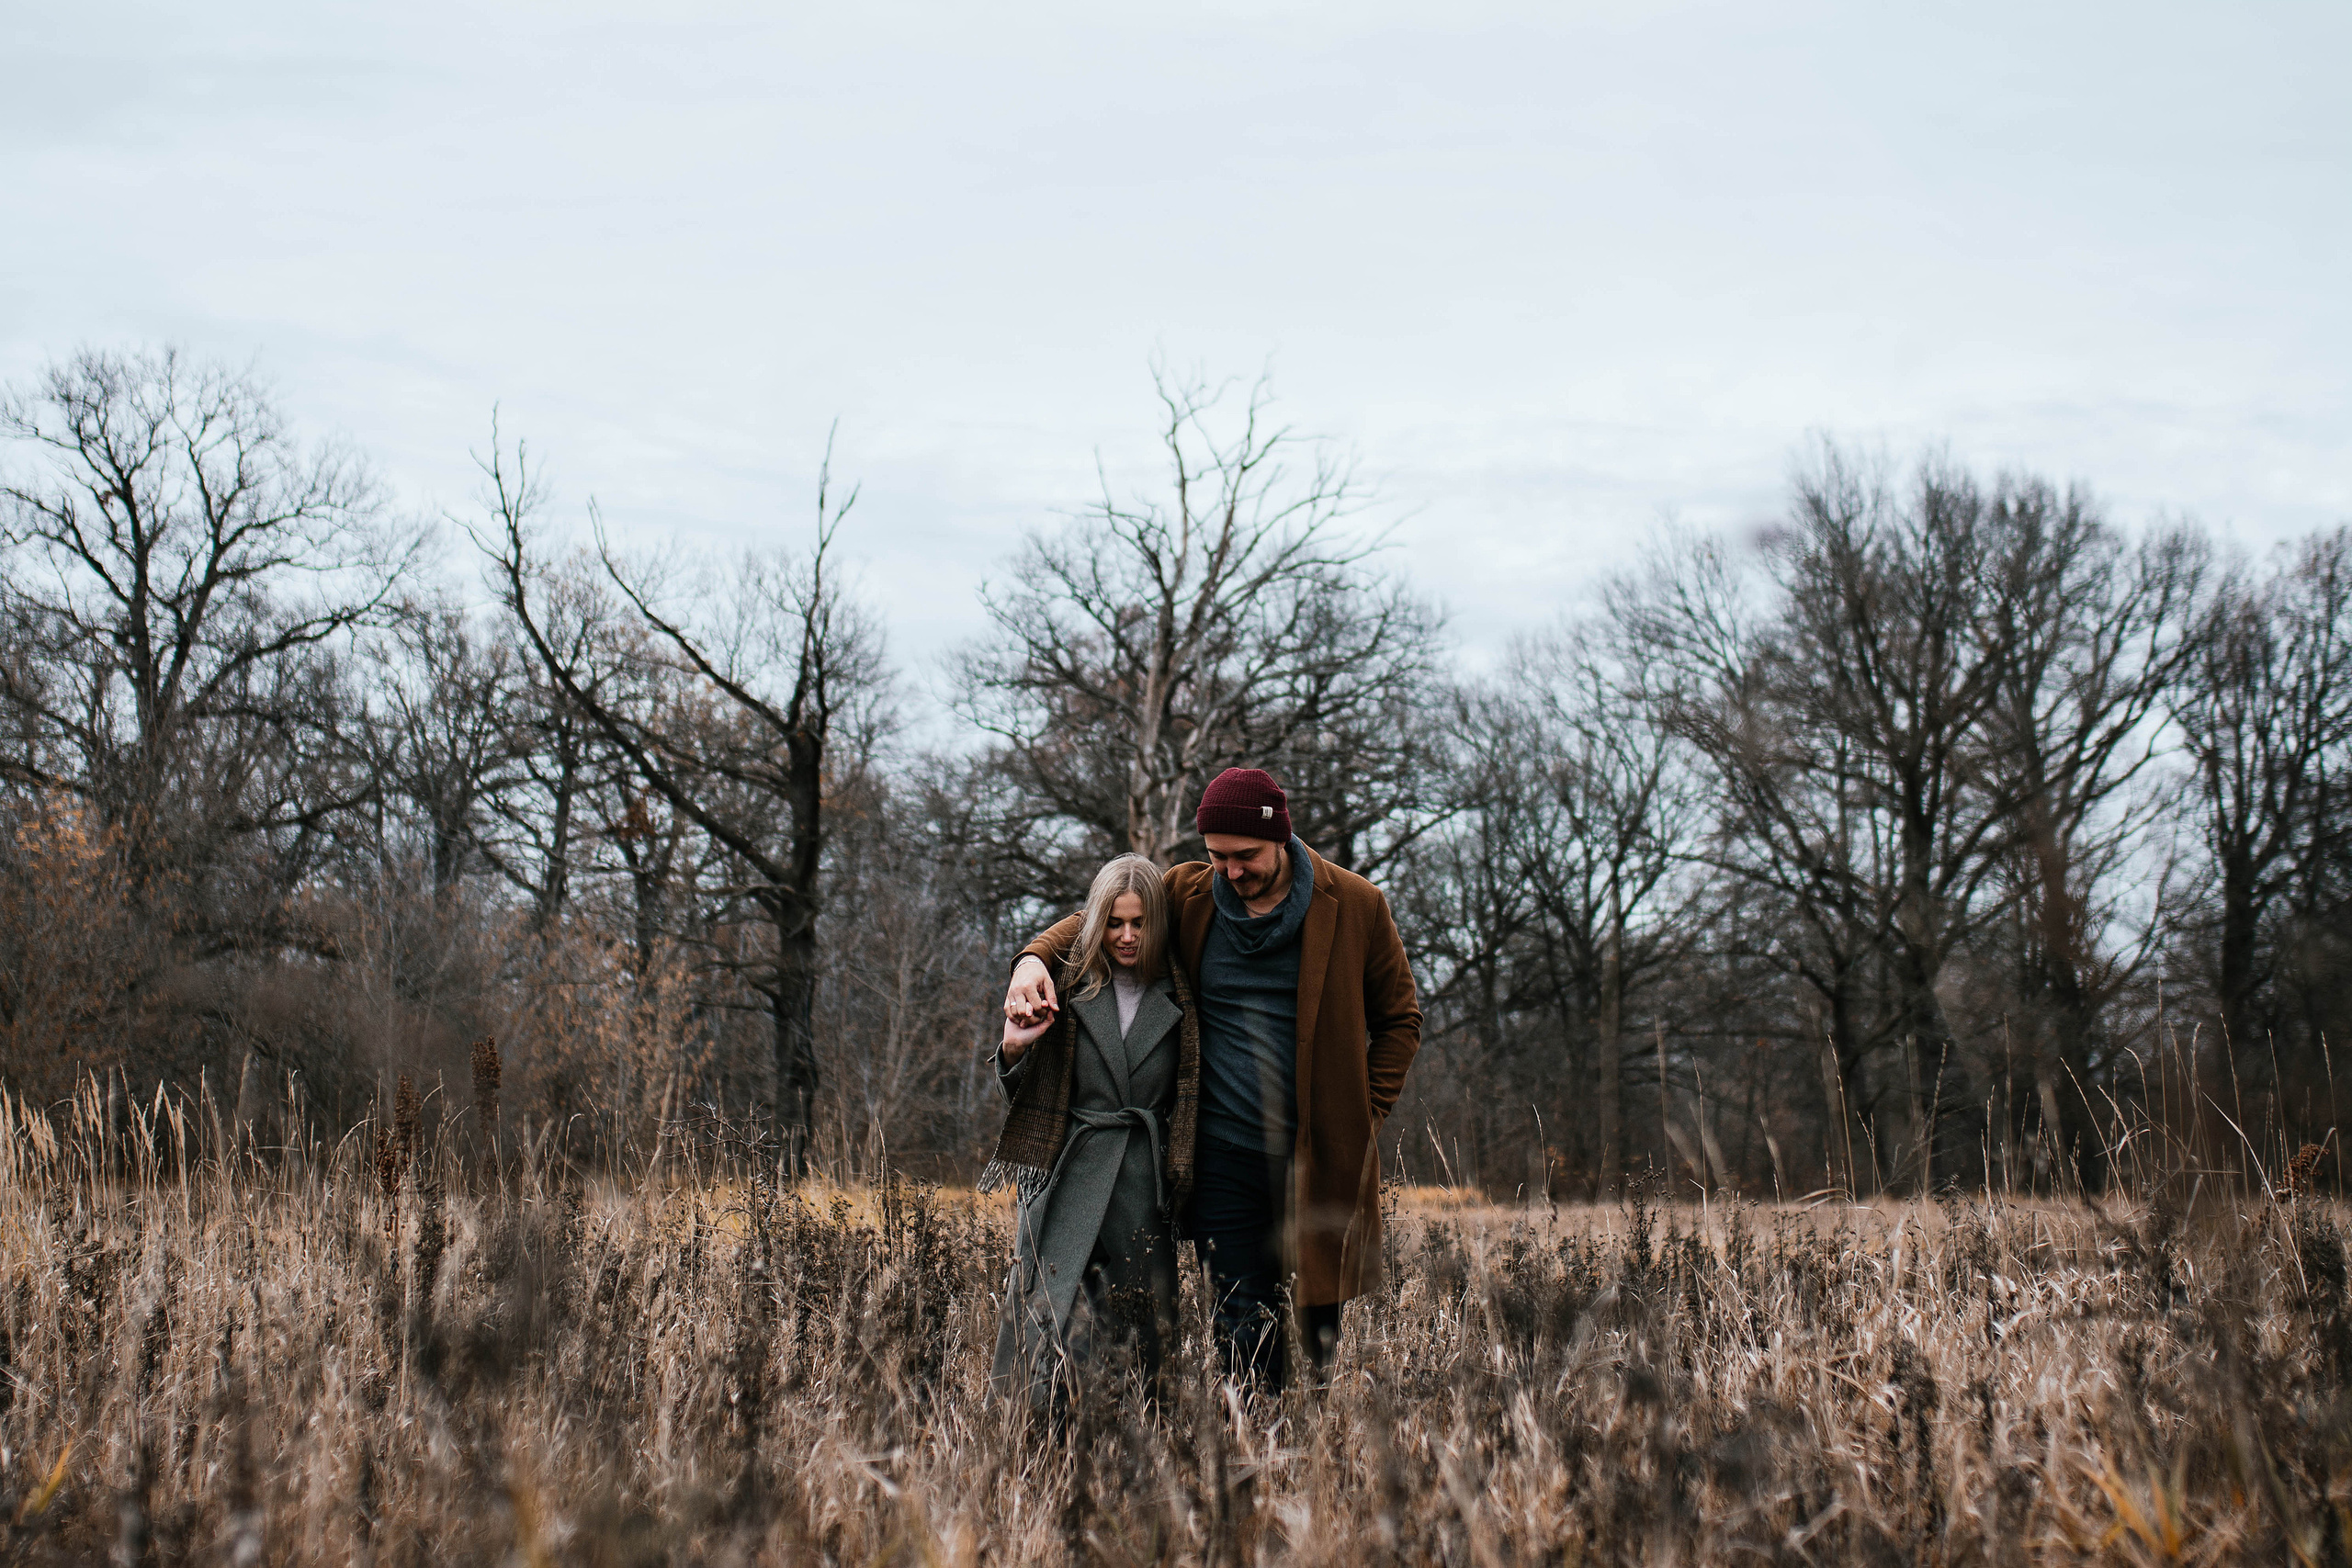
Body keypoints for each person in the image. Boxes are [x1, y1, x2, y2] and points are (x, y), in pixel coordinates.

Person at [1004, 768, 1420, 1392]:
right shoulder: (1191, 894)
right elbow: (1103, 915)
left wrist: (1362, 1114)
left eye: (1244, 856)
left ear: (1281, 837)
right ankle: (1246, 1453)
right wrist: (1034, 958)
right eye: (1216, 855)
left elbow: (1400, 1020)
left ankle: (1298, 1461)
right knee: (1241, 1325)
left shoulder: (1357, 903)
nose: (1230, 870)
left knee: (1314, 1335)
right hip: (1221, 1156)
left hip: (1319, 1160)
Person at [981, 853, 1200, 1413]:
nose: (1126, 937)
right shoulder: (1067, 984)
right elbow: (1028, 1099)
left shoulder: (1183, 992)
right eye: (1113, 922)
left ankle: (1139, 1450)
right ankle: (1033, 1447)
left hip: (1141, 1184)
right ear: (1095, 920)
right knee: (1047, 1331)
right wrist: (1012, 1048)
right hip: (1064, 1178)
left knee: (1142, 1340)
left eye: (1140, 922)